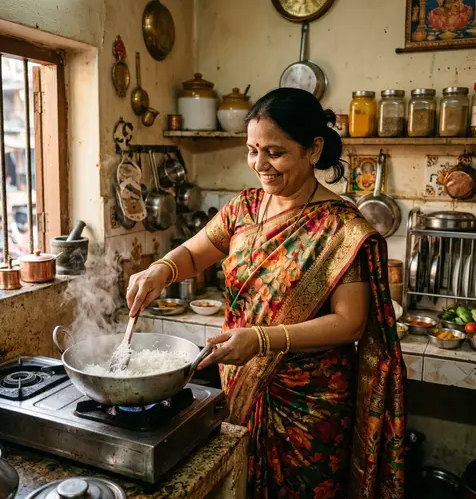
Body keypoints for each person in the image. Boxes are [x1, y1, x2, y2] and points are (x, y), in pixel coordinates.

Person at [126, 88, 406, 498]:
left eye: (275, 152)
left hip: (310, 405)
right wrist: (160, 269)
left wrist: (261, 340)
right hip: (241, 386)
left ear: (314, 149)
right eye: (252, 150)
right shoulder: (245, 208)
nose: (260, 165)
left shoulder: (342, 229)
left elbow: (351, 323)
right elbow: (193, 252)